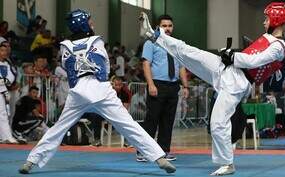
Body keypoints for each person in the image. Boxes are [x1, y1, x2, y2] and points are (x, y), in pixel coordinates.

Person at [139, 2, 285, 175]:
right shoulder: (268, 38)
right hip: (227, 68)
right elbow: (251, 58)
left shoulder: (279, 47)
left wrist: (233, 55)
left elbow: (253, 62)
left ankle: (227, 164)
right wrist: (230, 54)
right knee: (189, 51)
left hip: (237, 82)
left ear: (276, 20)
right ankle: (153, 34)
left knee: (218, 123)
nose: (264, 22)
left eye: (267, 18)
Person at [18, 9, 176, 174]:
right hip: (100, 90)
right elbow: (105, 68)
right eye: (89, 21)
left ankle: (31, 161)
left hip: (78, 92)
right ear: (83, 24)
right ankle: (160, 158)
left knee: (58, 128)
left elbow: (68, 68)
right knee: (128, 125)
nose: (92, 23)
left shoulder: (65, 46)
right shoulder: (96, 41)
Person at [137, 14, 189, 162]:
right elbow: (146, 64)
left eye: (170, 26)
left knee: (168, 120)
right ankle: (143, 152)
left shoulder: (177, 44)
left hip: (173, 86)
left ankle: (164, 150)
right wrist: (151, 84)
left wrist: (185, 86)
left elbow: (181, 67)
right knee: (151, 119)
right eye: (164, 26)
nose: (167, 28)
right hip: (157, 84)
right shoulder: (151, 43)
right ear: (158, 27)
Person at [0, 38, 18, 144]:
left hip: (2, 90)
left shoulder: (8, 64)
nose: (4, 52)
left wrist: (6, 82)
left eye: (5, 50)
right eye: (2, 50)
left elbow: (12, 75)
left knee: (3, 113)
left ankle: (7, 136)